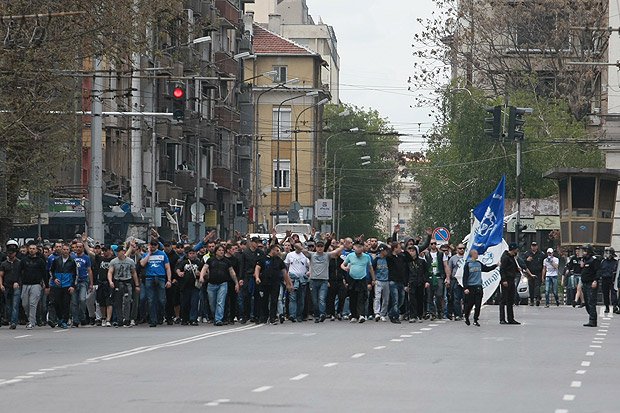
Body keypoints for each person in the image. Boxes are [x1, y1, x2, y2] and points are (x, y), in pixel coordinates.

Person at [200, 245, 239, 326]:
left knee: (220, 302)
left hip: (223, 284)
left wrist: (236, 283)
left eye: (222, 250)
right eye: (219, 250)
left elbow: (232, 272)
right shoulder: (210, 260)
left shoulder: (227, 261)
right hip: (211, 284)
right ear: (216, 251)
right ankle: (215, 316)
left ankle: (218, 319)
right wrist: (201, 277)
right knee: (212, 303)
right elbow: (204, 268)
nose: (221, 252)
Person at [254, 244, 292, 324]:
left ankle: (272, 317)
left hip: (275, 283)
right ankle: (264, 317)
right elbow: (257, 268)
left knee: (274, 300)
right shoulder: (263, 258)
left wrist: (288, 283)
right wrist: (257, 277)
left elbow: (284, 272)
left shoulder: (279, 260)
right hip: (264, 283)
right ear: (272, 250)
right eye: (277, 250)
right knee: (264, 300)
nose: (279, 252)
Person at [308, 240, 344, 323]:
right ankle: (317, 315)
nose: (320, 248)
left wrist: (342, 245)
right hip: (313, 280)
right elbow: (302, 250)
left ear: (324, 248)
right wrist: (293, 243)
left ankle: (322, 314)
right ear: (315, 247)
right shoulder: (312, 255)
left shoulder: (327, 255)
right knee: (314, 300)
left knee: (321, 298)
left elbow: (336, 251)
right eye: (318, 246)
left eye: (321, 246)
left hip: (324, 280)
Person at [341, 240, 376, 323]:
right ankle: (354, 315)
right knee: (353, 297)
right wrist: (345, 268)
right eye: (357, 247)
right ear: (354, 247)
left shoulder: (366, 257)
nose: (358, 248)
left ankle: (361, 315)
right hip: (352, 279)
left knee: (362, 297)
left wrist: (373, 279)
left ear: (363, 247)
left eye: (360, 247)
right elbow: (342, 264)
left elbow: (370, 268)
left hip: (362, 278)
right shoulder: (350, 256)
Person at [139, 240, 172, 327]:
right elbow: (142, 264)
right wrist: (149, 254)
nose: (153, 246)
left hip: (160, 277)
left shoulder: (162, 254)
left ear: (157, 246)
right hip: (149, 277)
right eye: (151, 245)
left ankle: (160, 316)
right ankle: (153, 320)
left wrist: (169, 280)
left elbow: (167, 267)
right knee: (150, 300)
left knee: (162, 300)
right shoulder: (146, 254)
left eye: (154, 245)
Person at [17, 241, 49, 329]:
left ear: (36, 250)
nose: (32, 250)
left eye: (33, 249)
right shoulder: (24, 260)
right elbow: (19, 272)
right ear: (28, 249)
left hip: (36, 285)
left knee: (32, 303)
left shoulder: (40, 261)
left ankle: (31, 322)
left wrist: (47, 286)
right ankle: (30, 318)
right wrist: (17, 281)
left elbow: (44, 274)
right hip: (25, 284)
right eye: (30, 249)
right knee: (25, 304)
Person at [462, 249, 497, 326]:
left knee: (478, 304)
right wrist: (465, 288)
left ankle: (475, 319)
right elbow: (465, 277)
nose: (478, 255)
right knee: (470, 304)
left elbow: (487, 269)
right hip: (471, 287)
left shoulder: (478, 264)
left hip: (478, 286)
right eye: (476, 254)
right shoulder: (468, 264)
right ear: (473, 255)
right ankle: (466, 316)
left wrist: (496, 265)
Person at [49, 244, 79, 329]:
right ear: (61, 250)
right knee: (57, 303)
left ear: (69, 251)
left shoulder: (72, 261)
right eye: (64, 249)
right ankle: (60, 318)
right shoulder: (56, 260)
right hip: (57, 285)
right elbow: (51, 271)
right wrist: (54, 279)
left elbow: (75, 274)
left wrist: (73, 286)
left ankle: (64, 321)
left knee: (66, 304)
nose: (65, 251)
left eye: (67, 249)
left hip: (67, 285)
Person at [284, 241, 310, 322]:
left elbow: (310, 265)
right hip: (292, 279)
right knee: (292, 298)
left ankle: (299, 315)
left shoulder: (305, 256)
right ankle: (292, 315)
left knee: (301, 298)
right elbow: (286, 266)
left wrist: (309, 272)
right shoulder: (290, 255)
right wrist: (286, 279)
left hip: (302, 279)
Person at [0, 240, 22, 329]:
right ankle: (8, 319)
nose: (10, 254)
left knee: (15, 305)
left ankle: (13, 322)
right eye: (9, 253)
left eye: (12, 253)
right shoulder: (3, 264)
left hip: (16, 286)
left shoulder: (20, 263)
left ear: (15, 253)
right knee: (8, 305)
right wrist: (1, 285)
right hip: (6, 287)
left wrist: (18, 282)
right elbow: (1, 275)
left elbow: (21, 275)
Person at [405, 246, 429, 323]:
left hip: (420, 282)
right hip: (411, 282)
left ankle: (420, 315)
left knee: (420, 298)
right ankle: (412, 315)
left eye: (413, 251)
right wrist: (405, 284)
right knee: (412, 299)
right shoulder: (407, 262)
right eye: (410, 251)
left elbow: (426, 272)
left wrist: (426, 281)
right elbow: (405, 273)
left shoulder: (422, 261)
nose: (411, 252)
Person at [499, 243, 521, 325]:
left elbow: (513, 267)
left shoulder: (512, 257)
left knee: (510, 300)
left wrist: (517, 269)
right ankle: (502, 319)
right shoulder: (505, 257)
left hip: (512, 280)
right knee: (503, 300)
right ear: (513, 249)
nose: (517, 251)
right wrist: (504, 280)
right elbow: (502, 269)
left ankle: (511, 318)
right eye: (516, 249)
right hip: (506, 280)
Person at [580, 244, 601, 327]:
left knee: (591, 301)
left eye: (585, 251)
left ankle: (593, 320)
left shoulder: (594, 260)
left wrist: (595, 280)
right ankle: (591, 317)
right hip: (585, 283)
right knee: (587, 302)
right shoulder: (585, 260)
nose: (583, 252)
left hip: (591, 283)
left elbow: (598, 271)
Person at [94, 246, 115, 326]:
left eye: (106, 250)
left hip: (109, 283)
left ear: (110, 250)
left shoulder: (113, 259)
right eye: (103, 250)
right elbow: (91, 253)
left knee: (109, 302)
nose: (104, 252)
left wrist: (130, 247)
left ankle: (108, 320)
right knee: (101, 302)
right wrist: (85, 243)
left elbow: (124, 255)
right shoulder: (100, 259)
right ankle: (103, 317)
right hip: (101, 282)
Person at [446, 243, 466, 321]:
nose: (462, 250)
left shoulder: (467, 257)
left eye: (463, 248)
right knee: (456, 298)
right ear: (457, 249)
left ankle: (464, 313)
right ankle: (458, 314)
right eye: (460, 248)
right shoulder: (453, 258)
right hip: (455, 280)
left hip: (465, 280)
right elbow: (449, 269)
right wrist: (448, 279)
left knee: (465, 298)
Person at [372, 245, 391, 322]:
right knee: (377, 297)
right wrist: (374, 279)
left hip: (386, 281)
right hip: (378, 280)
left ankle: (383, 314)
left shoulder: (388, 259)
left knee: (386, 299)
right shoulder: (376, 259)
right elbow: (372, 269)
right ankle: (377, 313)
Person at [523, 241, 544, 306]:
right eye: (532, 246)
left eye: (535, 246)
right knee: (531, 286)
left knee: (537, 286)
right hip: (530, 273)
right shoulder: (527, 253)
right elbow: (522, 263)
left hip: (538, 273)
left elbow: (544, 264)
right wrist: (527, 260)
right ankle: (532, 300)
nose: (533, 247)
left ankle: (537, 298)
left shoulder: (541, 254)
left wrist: (543, 275)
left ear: (537, 246)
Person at [599, 247, 618, 314]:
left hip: (612, 279)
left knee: (613, 293)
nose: (606, 254)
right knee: (605, 294)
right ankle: (607, 307)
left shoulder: (616, 262)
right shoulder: (603, 261)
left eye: (608, 252)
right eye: (606, 252)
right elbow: (600, 269)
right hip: (605, 279)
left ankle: (614, 306)